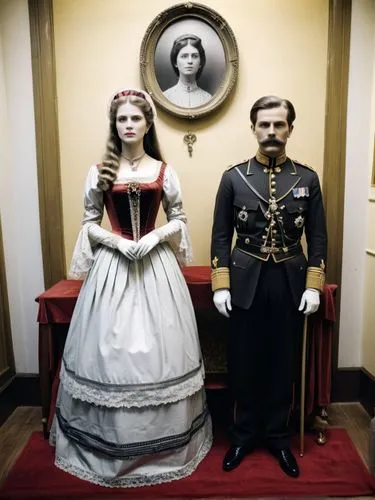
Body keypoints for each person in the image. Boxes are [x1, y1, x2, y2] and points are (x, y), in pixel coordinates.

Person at [50, 88, 212, 487]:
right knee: (112, 352)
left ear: (147, 123)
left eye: (135, 119)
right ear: (114, 124)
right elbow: (89, 222)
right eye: (121, 119)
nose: (128, 125)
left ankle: (165, 445)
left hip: (156, 270)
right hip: (113, 269)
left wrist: (155, 239)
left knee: (162, 350)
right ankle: (106, 445)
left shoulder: (163, 169)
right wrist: (118, 241)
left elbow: (179, 217)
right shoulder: (101, 171)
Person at [210, 95, 327, 478]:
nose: (272, 132)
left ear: (290, 129)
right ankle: (242, 435)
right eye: (265, 125)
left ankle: (278, 437)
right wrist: (221, 284)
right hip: (245, 282)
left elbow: (318, 238)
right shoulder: (233, 177)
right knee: (244, 362)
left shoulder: (307, 179)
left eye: (279, 125)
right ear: (254, 128)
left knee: (281, 362)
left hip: (290, 283)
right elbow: (221, 236)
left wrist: (314, 284)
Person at [163, 34, 212, 108]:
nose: (190, 61)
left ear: (200, 63)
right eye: (184, 56)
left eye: (194, 56)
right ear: (175, 62)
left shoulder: (208, 99)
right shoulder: (165, 97)